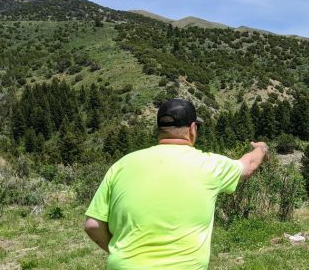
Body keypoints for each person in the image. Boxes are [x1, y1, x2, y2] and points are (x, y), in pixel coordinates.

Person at [83, 98, 268, 269]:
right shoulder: (210, 165)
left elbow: (92, 225)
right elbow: (248, 165)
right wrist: (260, 148)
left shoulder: (122, 165)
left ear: (159, 129)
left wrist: (125, 254)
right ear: (193, 128)